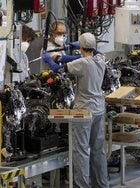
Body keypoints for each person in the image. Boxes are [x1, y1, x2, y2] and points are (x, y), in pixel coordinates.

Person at [42, 32, 109, 188]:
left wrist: (48, 60)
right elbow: (95, 53)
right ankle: (101, 184)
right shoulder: (100, 59)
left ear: (81, 47)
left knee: (81, 151)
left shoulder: (82, 64)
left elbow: (59, 70)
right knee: (98, 150)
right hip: (99, 109)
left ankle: (82, 185)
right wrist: (76, 49)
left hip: (84, 112)